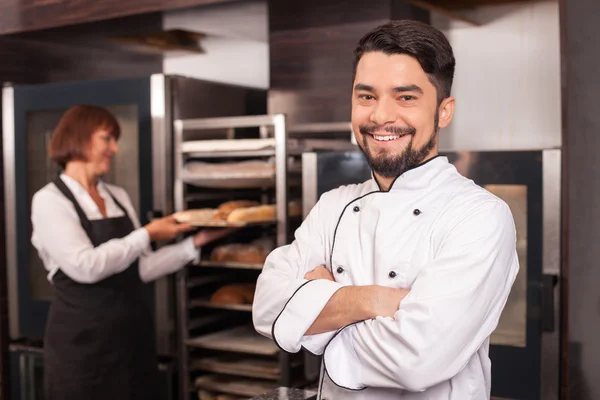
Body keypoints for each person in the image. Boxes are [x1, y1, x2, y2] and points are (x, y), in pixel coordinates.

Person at [252, 20, 519, 400]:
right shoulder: (334, 205)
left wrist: (316, 309)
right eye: (366, 96)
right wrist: (374, 300)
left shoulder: (479, 216)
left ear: (444, 111)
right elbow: (266, 308)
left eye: (405, 97)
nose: (380, 116)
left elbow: (416, 360)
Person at [31, 105, 233, 400]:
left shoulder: (117, 196)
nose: (114, 148)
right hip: (82, 347)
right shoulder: (49, 201)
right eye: (107, 139)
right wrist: (148, 233)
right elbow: (86, 266)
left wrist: (198, 242)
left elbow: (140, 268)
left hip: (132, 340)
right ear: (79, 138)